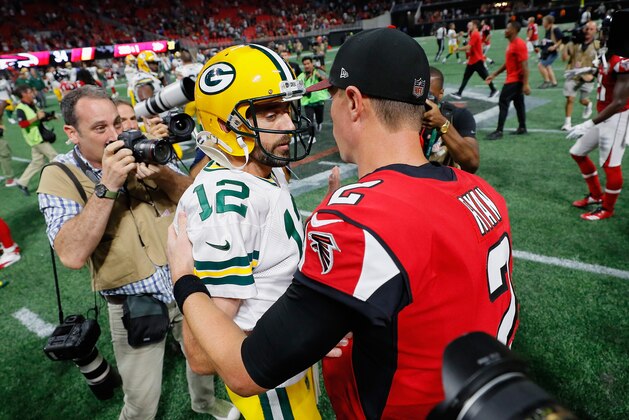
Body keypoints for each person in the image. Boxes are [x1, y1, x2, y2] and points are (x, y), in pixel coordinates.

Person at [167, 28, 518, 419]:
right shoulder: (483, 193)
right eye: (273, 111)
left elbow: (243, 370)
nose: (291, 122)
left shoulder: (357, 221)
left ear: (352, 102)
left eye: (331, 95)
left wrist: (182, 278)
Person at [37, 85, 238, 420]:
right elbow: (71, 254)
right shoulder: (58, 176)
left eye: (119, 123)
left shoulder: (143, 146)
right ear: (72, 133)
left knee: (204, 361)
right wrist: (107, 185)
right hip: (134, 301)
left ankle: (203, 402)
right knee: (142, 401)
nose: (117, 135)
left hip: (184, 282)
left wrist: (160, 172)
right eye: (101, 129)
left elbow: (194, 200)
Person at [176, 44, 320, 418]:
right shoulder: (226, 207)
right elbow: (203, 356)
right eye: (271, 113)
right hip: (270, 385)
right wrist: (303, 335)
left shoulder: (260, 168)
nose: (289, 124)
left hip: (287, 361)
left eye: (287, 110)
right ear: (224, 125)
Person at [566, 10, 629, 221]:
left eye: (607, 31)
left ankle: (607, 209)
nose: (602, 34)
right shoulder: (608, 53)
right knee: (578, 152)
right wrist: (580, 71)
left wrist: (588, 123)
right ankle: (595, 195)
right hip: (604, 115)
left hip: (617, 116)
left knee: (611, 166)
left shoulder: (623, 59)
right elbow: (601, 69)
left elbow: (619, 101)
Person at [422, 67, 479, 172]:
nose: (424, 100)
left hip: (443, 183)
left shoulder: (458, 116)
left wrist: (442, 124)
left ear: (440, 94)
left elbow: (472, 163)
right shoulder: (407, 113)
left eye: (429, 95)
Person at [485, 21, 531, 140]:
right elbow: (508, 63)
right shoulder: (511, 43)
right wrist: (494, 74)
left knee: (503, 102)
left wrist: (526, 84)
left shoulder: (519, 44)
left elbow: (525, 66)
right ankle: (522, 127)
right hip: (514, 80)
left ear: (514, 30)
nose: (505, 30)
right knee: (518, 103)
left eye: (508, 28)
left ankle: (499, 131)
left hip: (515, 80)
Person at [13, 84, 59, 196]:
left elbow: (41, 115)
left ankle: (22, 182)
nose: (32, 93)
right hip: (36, 138)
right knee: (55, 158)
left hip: (39, 136)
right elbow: (22, 124)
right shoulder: (20, 108)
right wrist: (36, 118)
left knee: (37, 162)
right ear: (24, 94)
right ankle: (61, 182)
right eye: (30, 91)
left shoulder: (31, 104)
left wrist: (50, 116)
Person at [560, 21, 598, 131]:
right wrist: (565, 43)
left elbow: (601, 60)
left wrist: (594, 74)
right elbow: (564, 58)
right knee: (570, 98)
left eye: (591, 29)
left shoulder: (597, 44)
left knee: (583, 100)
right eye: (587, 28)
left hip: (588, 77)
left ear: (595, 31)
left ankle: (588, 104)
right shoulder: (576, 42)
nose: (588, 31)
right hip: (573, 75)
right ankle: (567, 123)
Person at [451, 20, 498, 99]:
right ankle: (459, 93)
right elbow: (470, 48)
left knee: (485, 76)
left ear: (475, 26)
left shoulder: (475, 34)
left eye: (471, 25)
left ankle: (494, 90)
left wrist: (458, 49)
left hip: (477, 60)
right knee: (466, 76)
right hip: (473, 61)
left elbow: (468, 47)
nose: (469, 26)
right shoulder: (473, 33)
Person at [298, 56, 330, 132]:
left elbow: (328, 82)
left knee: (319, 118)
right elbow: (299, 89)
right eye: (304, 64)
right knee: (310, 121)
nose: (306, 66)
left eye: (308, 63)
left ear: (312, 64)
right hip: (308, 102)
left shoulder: (319, 72)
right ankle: (311, 136)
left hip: (319, 100)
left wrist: (320, 77)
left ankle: (319, 123)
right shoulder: (301, 76)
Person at [538, 15, 564, 89]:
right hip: (548, 52)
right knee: (548, 66)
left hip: (554, 52)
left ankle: (547, 81)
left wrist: (554, 46)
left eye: (544, 21)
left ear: (548, 22)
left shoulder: (555, 29)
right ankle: (554, 82)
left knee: (541, 65)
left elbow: (562, 39)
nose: (542, 23)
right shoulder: (548, 29)